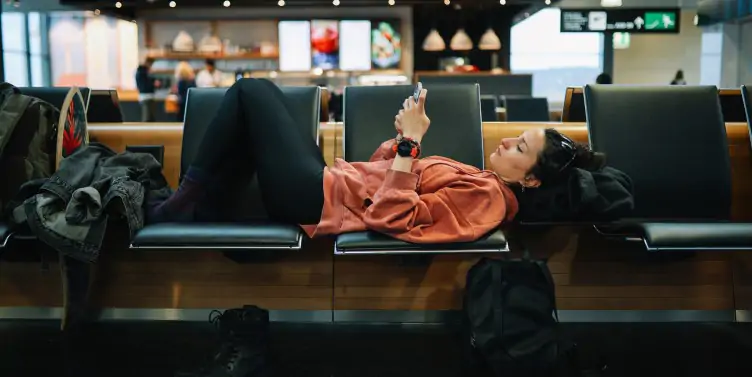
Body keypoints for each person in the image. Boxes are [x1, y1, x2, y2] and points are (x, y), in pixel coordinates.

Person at [150, 79, 607, 245]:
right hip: (330, 183)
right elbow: (381, 179)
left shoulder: (487, 198)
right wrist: (397, 145)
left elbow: (391, 217)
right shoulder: (484, 178)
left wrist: (410, 144)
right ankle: (194, 204)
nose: (506, 141)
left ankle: (181, 205)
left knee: (253, 92)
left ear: (529, 182)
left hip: (318, 200)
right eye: (516, 138)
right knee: (256, 115)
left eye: (520, 148)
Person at [135, 57, 161, 122]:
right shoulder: (142, 73)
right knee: (147, 119)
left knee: (151, 119)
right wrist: (153, 84)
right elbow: (144, 87)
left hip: (148, 97)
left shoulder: (143, 72)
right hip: (146, 98)